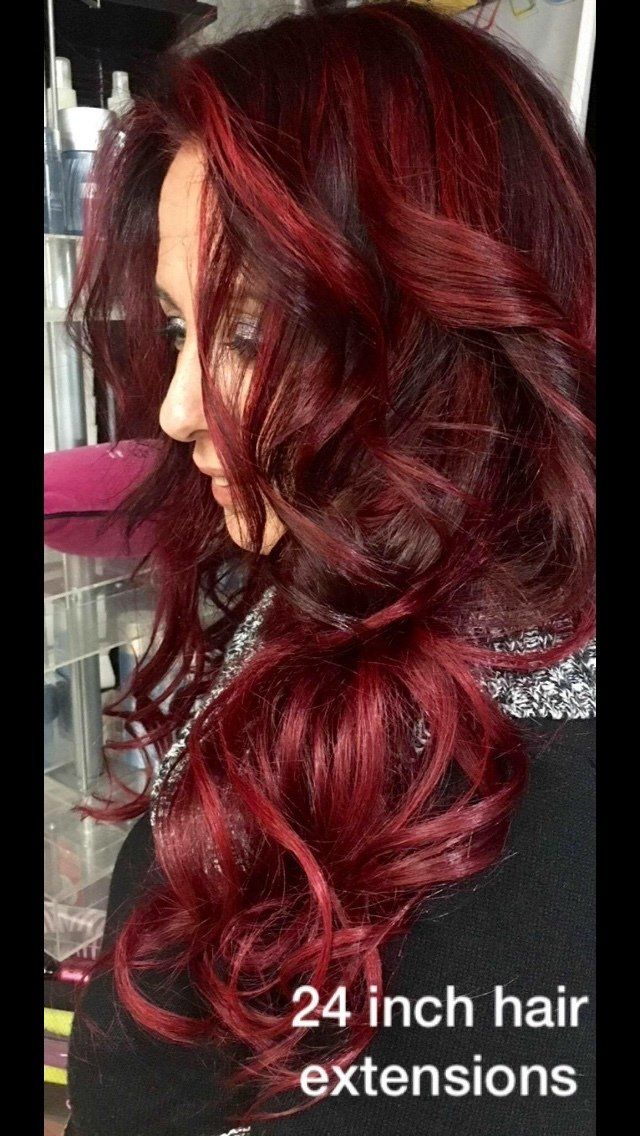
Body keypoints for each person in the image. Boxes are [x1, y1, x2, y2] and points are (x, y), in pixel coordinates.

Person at [64, 3, 595, 1134]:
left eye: (249, 335)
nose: (175, 409)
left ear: (440, 330)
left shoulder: (549, 831)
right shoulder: (307, 610)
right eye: (178, 331)